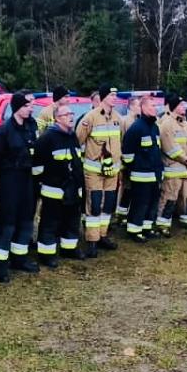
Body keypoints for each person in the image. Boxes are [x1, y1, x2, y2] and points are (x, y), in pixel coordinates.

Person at [0, 96, 41, 279]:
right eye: (27, 106)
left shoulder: (31, 126)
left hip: (27, 178)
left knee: (26, 220)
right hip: (9, 179)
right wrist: (4, 176)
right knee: (7, 223)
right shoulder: (5, 131)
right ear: (17, 107)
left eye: (31, 105)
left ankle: (20, 257)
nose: (30, 109)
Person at [75, 86, 124, 257]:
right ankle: (92, 240)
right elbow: (78, 140)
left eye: (115, 95)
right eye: (111, 95)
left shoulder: (118, 118)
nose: (114, 97)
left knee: (108, 204)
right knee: (95, 205)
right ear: (103, 97)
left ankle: (103, 235)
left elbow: (120, 142)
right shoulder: (90, 118)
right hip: (94, 171)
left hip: (113, 171)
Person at [33, 102, 82, 267]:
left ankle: (69, 248)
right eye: (67, 115)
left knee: (71, 220)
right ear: (57, 119)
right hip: (53, 190)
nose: (71, 117)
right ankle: (46, 254)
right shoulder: (47, 138)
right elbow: (37, 166)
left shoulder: (72, 136)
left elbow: (76, 161)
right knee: (50, 222)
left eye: (72, 114)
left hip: (72, 189)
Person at [121, 94, 164, 242]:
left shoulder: (154, 127)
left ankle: (146, 227)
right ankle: (134, 229)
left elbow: (156, 151)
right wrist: (135, 167)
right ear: (143, 108)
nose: (155, 109)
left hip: (154, 173)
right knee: (140, 203)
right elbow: (127, 153)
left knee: (152, 202)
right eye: (152, 106)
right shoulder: (136, 127)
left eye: (156, 106)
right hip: (141, 174)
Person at [157, 97, 187, 233]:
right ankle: (163, 224)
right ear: (174, 106)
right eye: (181, 105)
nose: (184, 108)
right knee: (169, 198)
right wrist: (186, 160)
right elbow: (170, 148)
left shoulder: (186, 124)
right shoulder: (167, 124)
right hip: (174, 169)